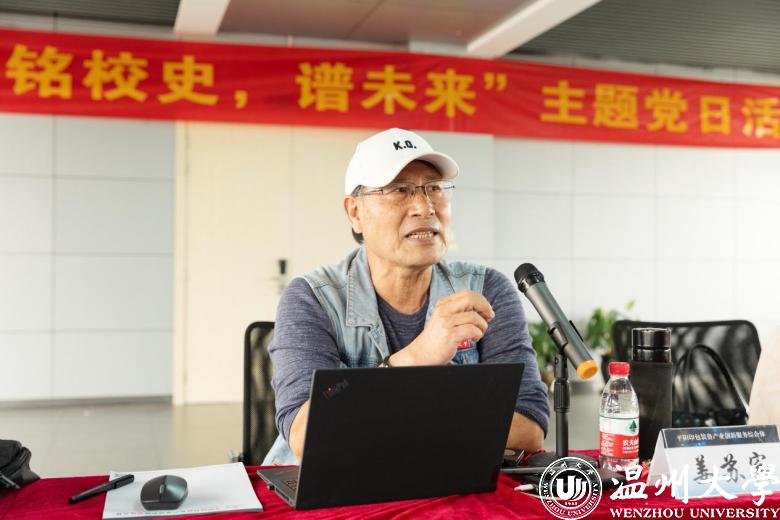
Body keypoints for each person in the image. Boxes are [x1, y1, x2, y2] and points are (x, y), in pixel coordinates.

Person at [262, 128, 549, 465]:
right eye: (400, 190)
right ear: (355, 212)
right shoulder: (312, 298)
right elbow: (307, 435)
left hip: (445, 482)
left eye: (434, 188)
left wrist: (373, 418)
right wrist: (417, 358)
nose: (424, 207)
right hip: (329, 487)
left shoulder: (486, 290)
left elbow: (529, 428)